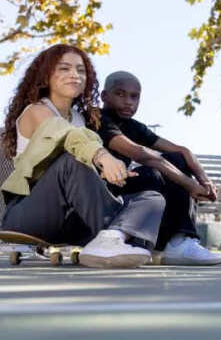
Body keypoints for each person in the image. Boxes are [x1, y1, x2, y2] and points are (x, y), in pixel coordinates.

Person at [0, 45, 165, 268]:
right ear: (46, 75)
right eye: (64, 68)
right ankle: (117, 238)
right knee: (70, 161)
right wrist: (102, 156)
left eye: (80, 70)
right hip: (28, 216)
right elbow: (69, 136)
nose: (74, 75)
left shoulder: (80, 118)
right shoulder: (36, 111)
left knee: (151, 197)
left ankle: (111, 239)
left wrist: (114, 174)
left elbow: (86, 158)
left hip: (72, 220)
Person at [97, 71, 221, 265]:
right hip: (102, 191)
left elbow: (183, 151)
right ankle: (170, 244)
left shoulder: (133, 126)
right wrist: (190, 184)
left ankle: (178, 242)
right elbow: (141, 154)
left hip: (125, 187)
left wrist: (204, 180)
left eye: (134, 96)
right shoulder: (97, 118)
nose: (128, 102)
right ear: (104, 96)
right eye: (120, 94)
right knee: (153, 174)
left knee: (176, 159)